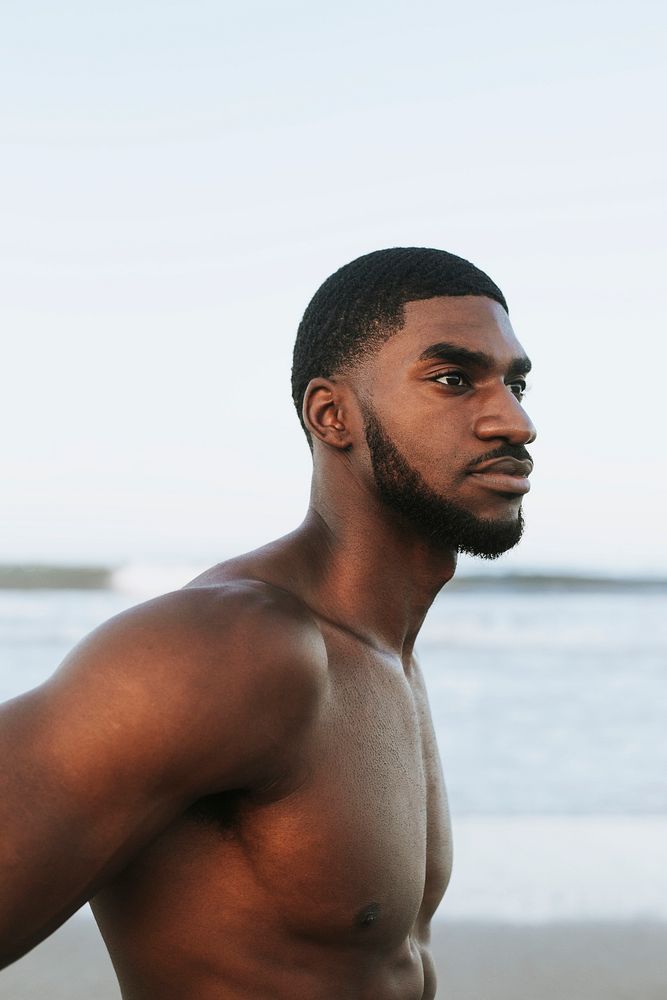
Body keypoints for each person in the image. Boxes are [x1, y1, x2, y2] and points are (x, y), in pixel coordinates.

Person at [0, 247, 536, 999]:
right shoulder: (230, 649)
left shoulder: (382, 654)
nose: (514, 422)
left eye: (514, 383)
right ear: (332, 415)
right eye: (453, 380)